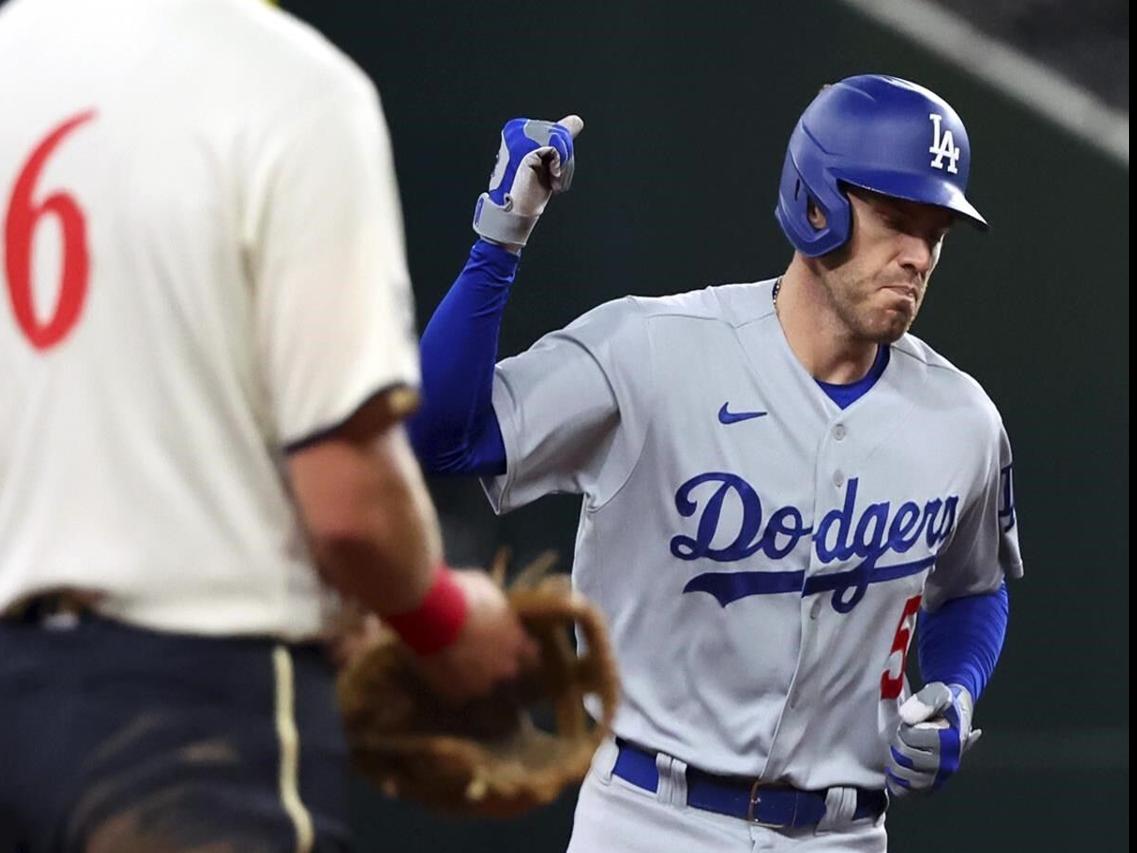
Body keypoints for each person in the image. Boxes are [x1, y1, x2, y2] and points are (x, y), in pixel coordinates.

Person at [408, 75, 1023, 852]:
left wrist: (956, 691)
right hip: (647, 817)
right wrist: (499, 237)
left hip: (845, 832)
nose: (916, 256)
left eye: (934, 232)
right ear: (814, 205)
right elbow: (440, 437)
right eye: (895, 219)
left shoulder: (961, 419)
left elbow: (974, 587)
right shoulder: (651, 352)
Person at [0, 1, 533, 850]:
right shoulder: (290, 89)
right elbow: (349, 506)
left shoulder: (15, 53)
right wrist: (440, 618)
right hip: (184, 717)